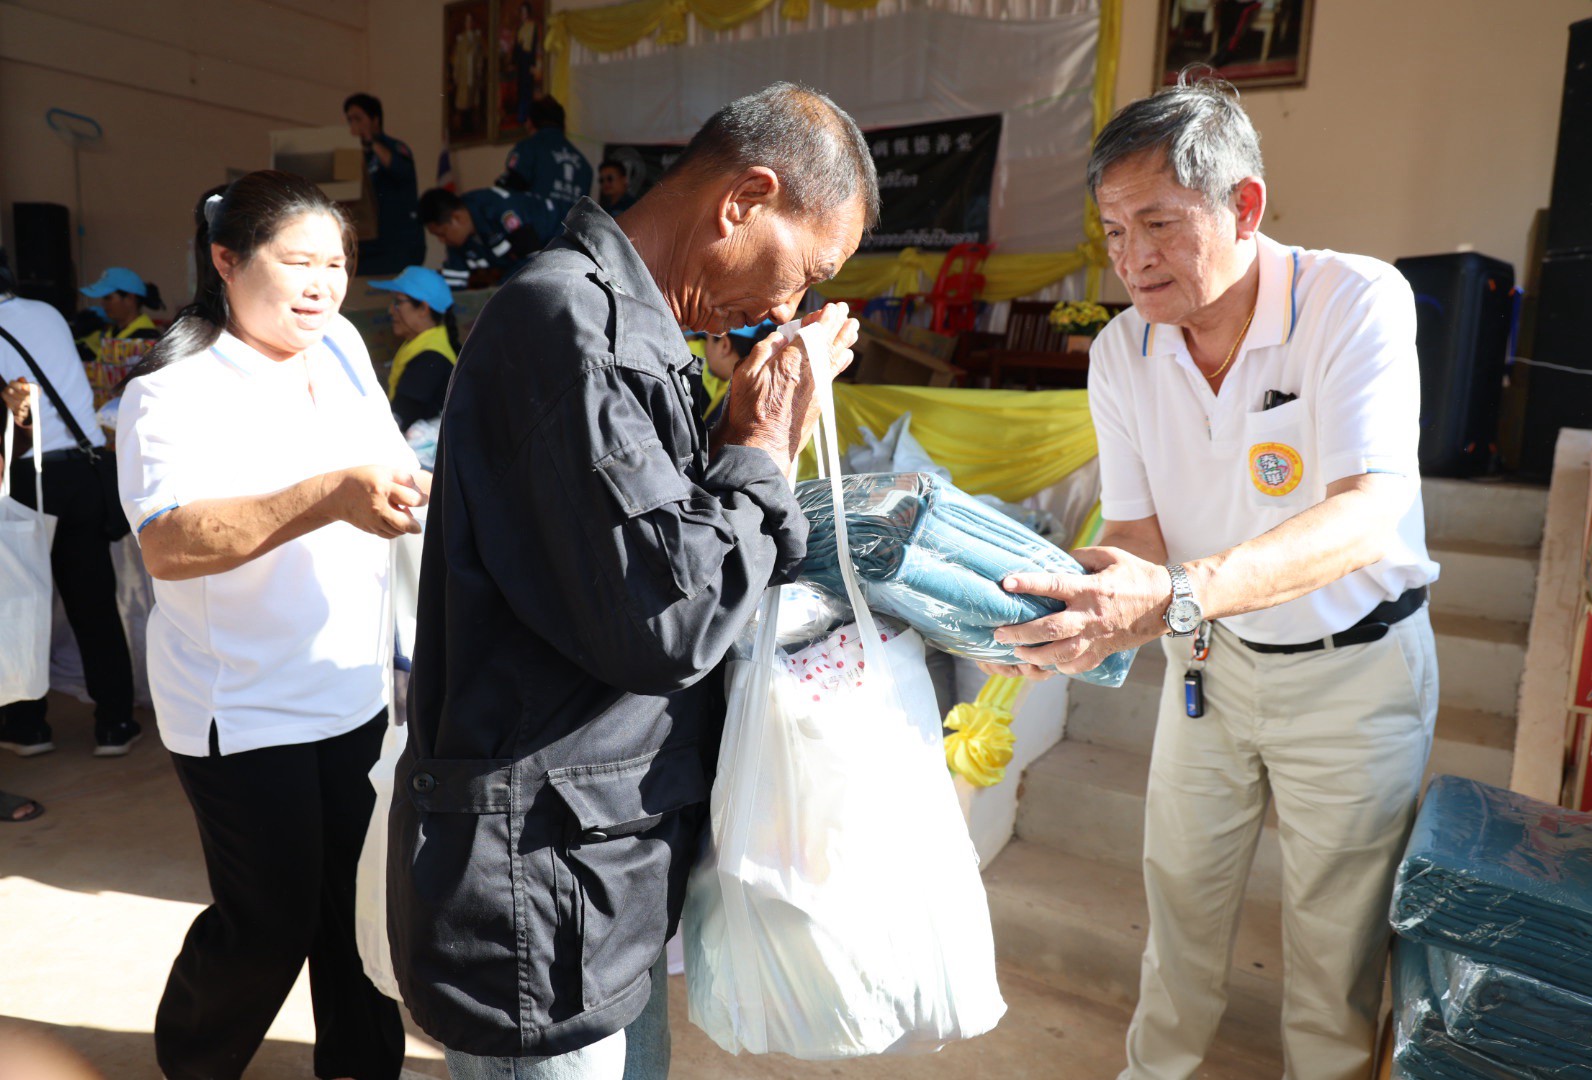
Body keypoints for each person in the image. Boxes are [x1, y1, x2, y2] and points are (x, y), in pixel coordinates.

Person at [390, 81, 875, 1078]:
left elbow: (649, 555)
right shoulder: (568, 328)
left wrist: (732, 438)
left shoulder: (635, 336)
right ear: (745, 199)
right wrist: (761, 446)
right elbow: (669, 618)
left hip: (600, 869)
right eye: (808, 271)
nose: (789, 308)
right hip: (539, 891)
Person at [986, 75, 1438, 1080]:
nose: (1132, 258)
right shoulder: (1123, 350)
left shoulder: (1351, 301)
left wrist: (1174, 597)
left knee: (1336, 946)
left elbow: (1366, 515)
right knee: (1179, 906)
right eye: (1113, 231)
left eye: (1158, 223)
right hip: (1212, 665)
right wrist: (1074, 618)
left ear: (1244, 205)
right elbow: (1137, 536)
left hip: (1353, 672)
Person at [116, 171, 423, 1080]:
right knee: (270, 922)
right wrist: (326, 496)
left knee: (362, 909)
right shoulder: (171, 391)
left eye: (337, 264)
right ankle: (195, 1060)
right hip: (244, 709)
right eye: (298, 263)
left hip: (353, 689)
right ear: (225, 260)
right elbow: (170, 542)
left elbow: (389, 468)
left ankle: (362, 1068)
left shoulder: (343, 350)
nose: (323, 285)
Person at [0, 255, 139, 759]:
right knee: (94, 603)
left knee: (21, 601)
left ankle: (27, 727)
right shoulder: (47, 313)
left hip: (24, 479)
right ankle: (115, 724)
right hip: (81, 470)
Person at [417, 185, 564, 290]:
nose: (442, 241)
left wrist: (499, 290)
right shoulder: (458, 241)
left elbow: (533, 261)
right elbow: (454, 285)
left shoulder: (499, 209)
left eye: (442, 234)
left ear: (457, 218)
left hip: (561, 241)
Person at [366, 266, 459, 431]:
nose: (391, 310)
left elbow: (399, 419)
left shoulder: (430, 358)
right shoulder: (425, 345)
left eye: (398, 302)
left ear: (423, 308)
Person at [344, 92, 428, 275]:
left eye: (358, 119)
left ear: (375, 120)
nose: (353, 125)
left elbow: (400, 171)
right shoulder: (351, 155)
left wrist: (371, 142)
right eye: (350, 120)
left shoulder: (395, 147)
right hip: (367, 245)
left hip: (398, 243)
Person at [498, 94, 592, 206]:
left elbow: (507, 192)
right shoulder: (584, 166)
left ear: (530, 122)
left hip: (533, 216)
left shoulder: (528, 148)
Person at [693, 320, 772, 423]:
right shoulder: (756, 395)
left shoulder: (729, 403)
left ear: (724, 345)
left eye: (707, 340)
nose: (705, 347)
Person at [80, 267, 164, 342]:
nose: (102, 303)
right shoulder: (112, 333)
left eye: (107, 297)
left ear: (130, 298)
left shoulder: (147, 339)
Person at [509, 2, 541, 128]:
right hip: (521, 61)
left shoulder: (533, 26)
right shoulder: (519, 28)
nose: (523, 14)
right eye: (521, 12)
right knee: (521, 88)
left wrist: (533, 64)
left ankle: (528, 116)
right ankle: (521, 116)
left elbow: (534, 46)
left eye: (525, 12)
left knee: (528, 88)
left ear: (528, 13)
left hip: (528, 60)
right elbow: (516, 46)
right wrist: (513, 62)